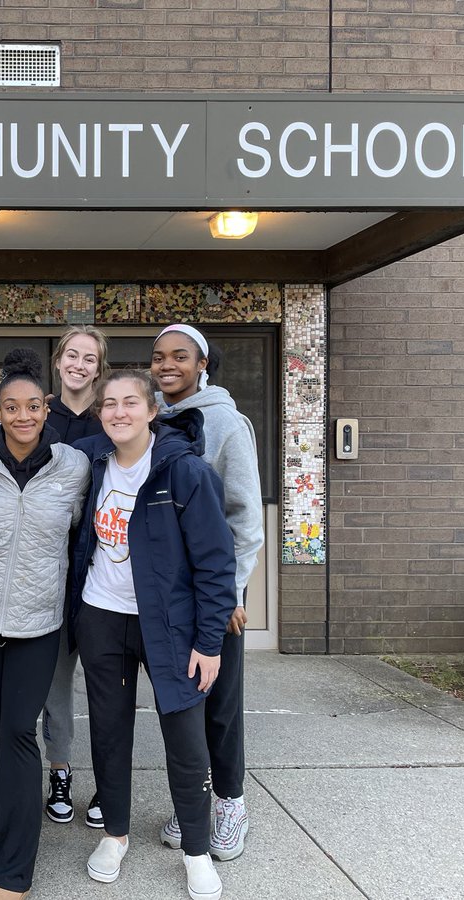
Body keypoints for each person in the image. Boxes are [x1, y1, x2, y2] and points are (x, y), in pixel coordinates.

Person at [69, 370, 236, 900]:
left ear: (151, 410)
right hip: (102, 616)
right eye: (109, 404)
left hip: (169, 625)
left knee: (185, 740)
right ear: (100, 414)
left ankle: (196, 849)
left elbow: (215, 564)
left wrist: (209, 642)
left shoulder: (184, 472)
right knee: (109, 731)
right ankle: (115, 835)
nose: (119, 412)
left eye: (129, 403)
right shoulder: (94, 464)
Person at [0, 349, 90, 900]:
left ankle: (11, 874)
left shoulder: (74, 467)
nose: (22, 416)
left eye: (33, 405)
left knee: (17, 732)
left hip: (40, 621)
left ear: (46, 407)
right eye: (11, 406)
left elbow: (84, 539)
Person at [151, 324, 265, 862]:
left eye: (180, 356)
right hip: (166, 592)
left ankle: (231, 803)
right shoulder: (149, 416)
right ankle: (194, 802)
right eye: (158, 357)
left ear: (203, 365)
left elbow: (244, 514)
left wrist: (233, 594)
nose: (167, 364)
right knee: (184, 703)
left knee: (220, 702)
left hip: (213, 591)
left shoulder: (224, 422)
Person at [39, 325, 109, 827]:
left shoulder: (113, 417)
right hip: (50, 572)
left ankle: (110, 780)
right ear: (58, 361)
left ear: (98, 367)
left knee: (109, 685)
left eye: (90, 358)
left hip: (105, 569)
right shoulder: (39, 416)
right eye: (72, 355)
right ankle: (60, 772)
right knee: (55, 685)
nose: (79, 365)